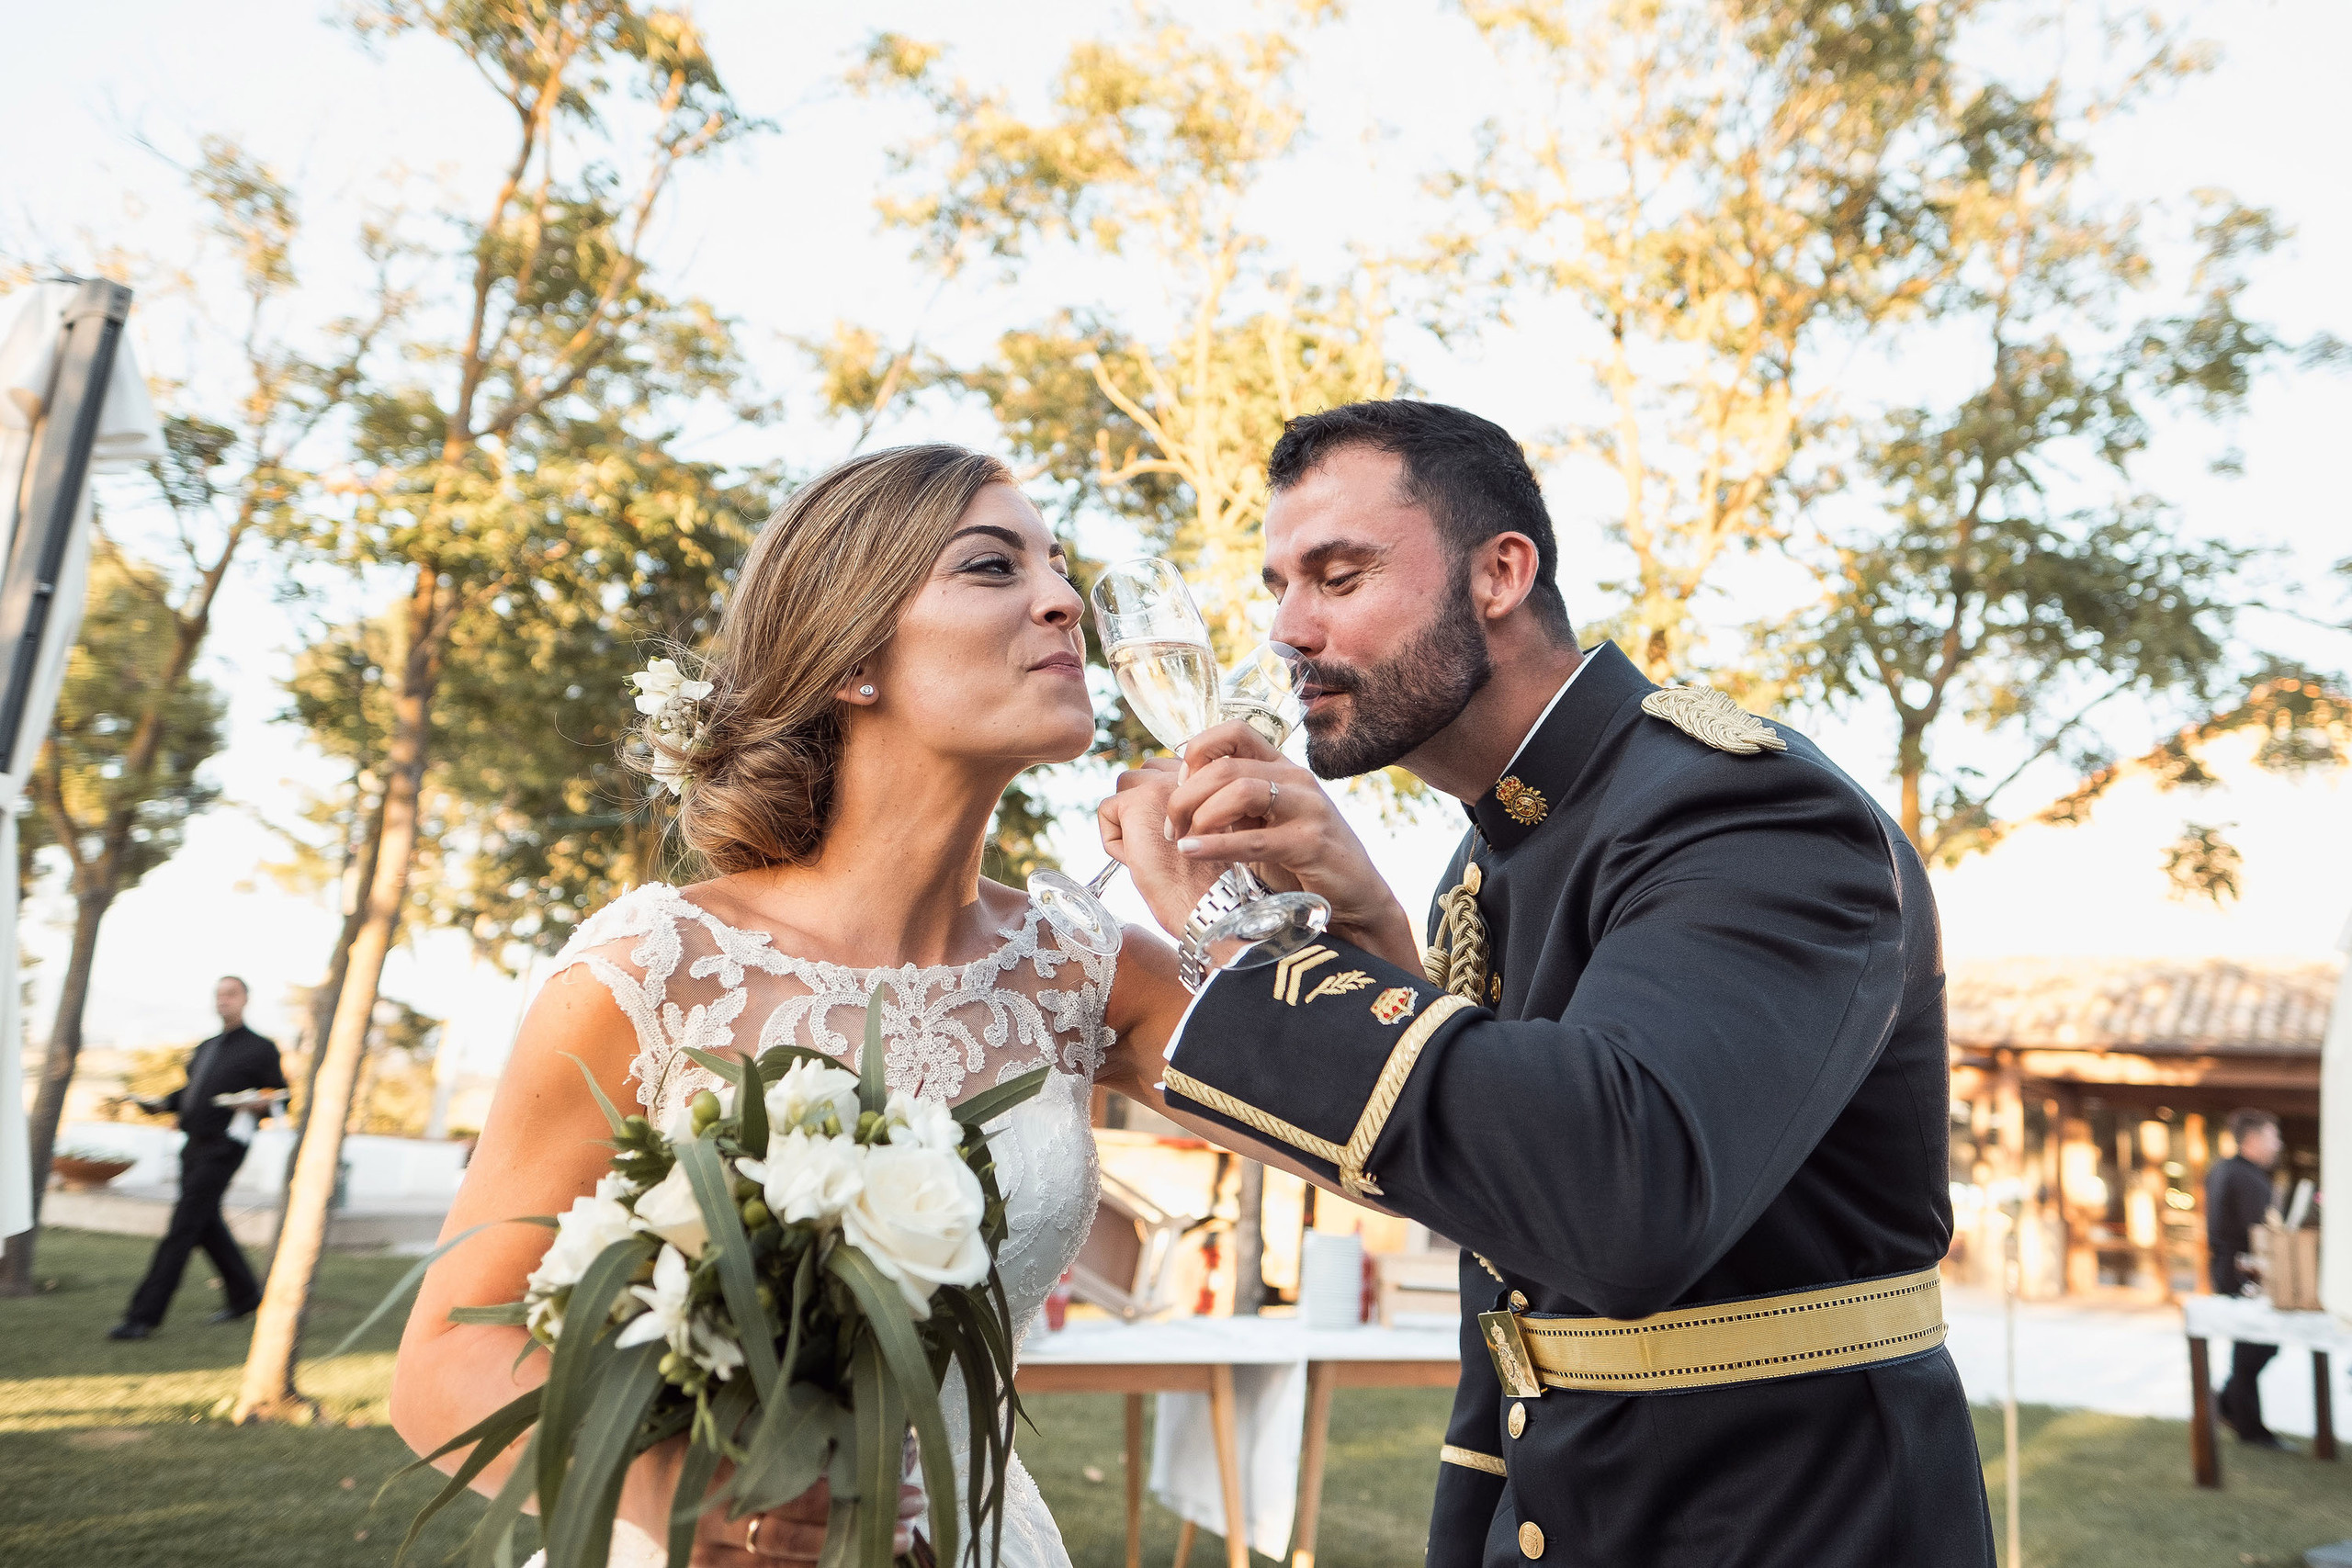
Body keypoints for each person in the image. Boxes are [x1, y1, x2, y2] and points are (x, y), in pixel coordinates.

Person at [1099, 400, 1996, 1567]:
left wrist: (1234, 942)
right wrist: (1370, 926)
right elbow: (1490, 1170)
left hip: (1789, 1513)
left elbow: (1619, 1191)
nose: (1286, 631)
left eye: (1337, 577)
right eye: (1277, 587)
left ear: (1499, 574)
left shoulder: (1747, 808)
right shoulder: (1494, 852)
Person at [390, 446, 1196, 1568]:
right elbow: (443, 1358)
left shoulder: (1091, 972)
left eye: (1056, 565)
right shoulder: (653, 969)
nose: (1063, 598)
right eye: (992, 565)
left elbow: (1401, 1150)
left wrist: (1287, 911)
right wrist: (691, 1495)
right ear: (852, 659)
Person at [108, 976, 286, 1340]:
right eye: (219, 994)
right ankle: (245, 1295)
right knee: (205, 1222)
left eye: (231, 994)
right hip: (192, 1145)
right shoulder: (206, 1047)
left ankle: (143, 1316)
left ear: (245, 999)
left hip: (226, 1145)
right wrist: (161, 1103)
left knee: (183, 1226)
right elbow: (193, 1092)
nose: (224, 1000)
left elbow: (279, 1095)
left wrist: (258, 1102)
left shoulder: (261, 1048)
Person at [2208, 1107, 2288, 1447]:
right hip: (2244, 1272)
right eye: (2273, 1137)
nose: (2278, 1144)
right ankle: (2247, 1425)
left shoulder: (2223, 1170)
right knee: (2256, 1346)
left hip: (2229, 1269)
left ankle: (2231, 1407)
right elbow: (2260, 1230)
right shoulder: (2247, 1177)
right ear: (2252, 1139)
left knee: (2255, 1346)